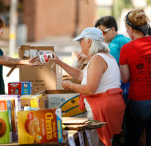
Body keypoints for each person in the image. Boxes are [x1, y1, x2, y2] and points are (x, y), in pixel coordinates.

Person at [50, 27, 126, 146]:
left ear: (89, 42)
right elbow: (81, 75)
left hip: (102, 108)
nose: (80, 44)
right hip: (108, 106)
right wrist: (60, 62)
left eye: (81, 41)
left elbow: (90, 89)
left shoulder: (97, 59)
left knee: (98, 142)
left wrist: (70, 85)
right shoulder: (105, 56)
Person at [0, 14, 39, 94]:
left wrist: (32, 61)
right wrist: (24, 62)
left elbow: (11, 63)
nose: (2, 32)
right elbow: (2, 60)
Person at [119, 9, 151, 146]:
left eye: (127, 29)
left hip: (139, 101)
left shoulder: (126, 48)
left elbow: (125, 79)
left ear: (131, 29)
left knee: (131, 140)